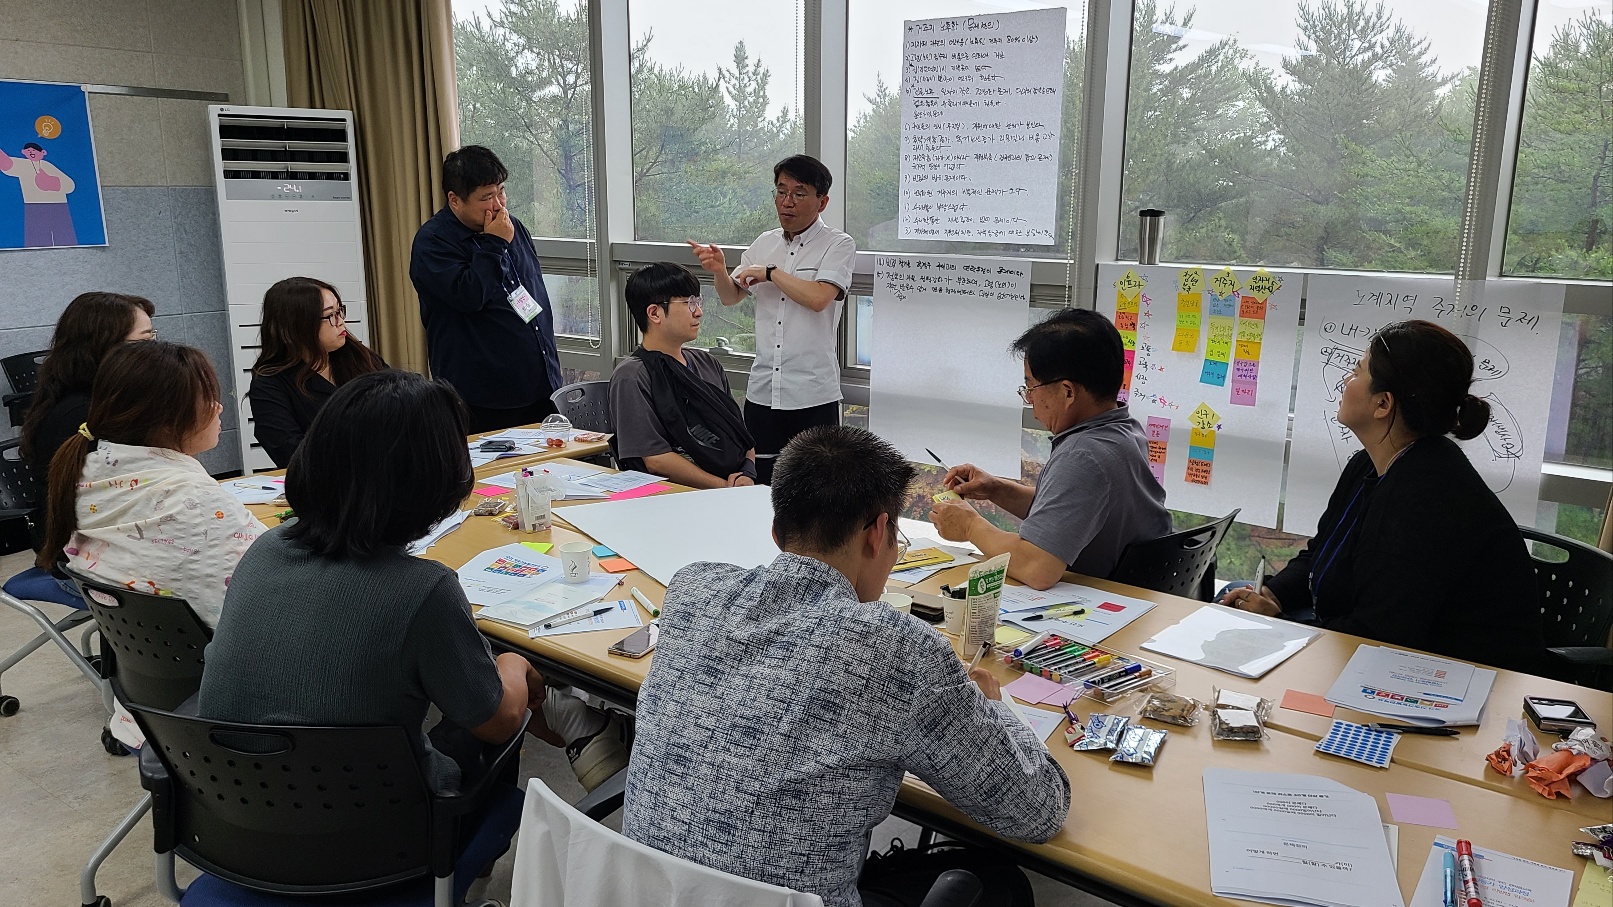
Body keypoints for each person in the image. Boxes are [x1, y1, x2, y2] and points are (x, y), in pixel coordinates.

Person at [623, 425, 1070, 907]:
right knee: (999, 882)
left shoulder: (693, 591)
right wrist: (995, 709)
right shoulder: (892, 647)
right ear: (878, 534)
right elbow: (1038, 811)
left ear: (776, 534)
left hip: (645, 892)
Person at [198, 370, 628, 795]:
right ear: (435, 479)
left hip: (234, 810)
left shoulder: (263, 550)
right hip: (384, 830)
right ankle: (580, 731)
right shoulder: (423, 591)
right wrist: (513, 663)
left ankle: (579, 727)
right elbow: (498, 724)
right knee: (489, 691)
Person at [1222, 320, 1545, 672]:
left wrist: (1285, 628)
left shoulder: (1425, 496)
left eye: (1357, 371)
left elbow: (1381, 635)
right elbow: (1321, 553)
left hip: (1451, 672)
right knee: (1241, 596)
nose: (1345, 381)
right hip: (1367, 639)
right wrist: (1272, 595)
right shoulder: (1372, 463)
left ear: (1383, 404)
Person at [928, 309, 1171, 590]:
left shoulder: (1082, 456)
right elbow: (1066, 513)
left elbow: (1037, 567)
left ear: (1068, 392)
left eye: (1031, 385)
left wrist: (970, 525)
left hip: (1104, 604)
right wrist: (997, 489)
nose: (1029, 398)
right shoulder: (1123, 430)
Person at [39, 341, 264, 627]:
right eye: (208, 399)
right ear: (169, 420)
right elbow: (270, 583)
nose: (219, 407)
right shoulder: (194, 497)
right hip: (215, 662)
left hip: (148, 657)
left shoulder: (87, 469)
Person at [688, 154, 855, 483]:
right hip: (763, 391)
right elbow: (730, 296)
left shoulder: (838, 244)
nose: (787, 202)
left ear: (822, 201)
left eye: (799, 193)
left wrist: (771, 273)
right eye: (781, 191)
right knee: (762, 483)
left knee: (816, 489)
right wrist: (719, 270)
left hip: (812, 393)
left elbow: (820, 298)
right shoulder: (764, 243)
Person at [410, 145, 563, 434]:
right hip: (482, 399)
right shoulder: (433, 243)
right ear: (455, 200)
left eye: (501, 191)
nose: (498, 204)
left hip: (539, 386)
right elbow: (470, 296)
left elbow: (530, 291)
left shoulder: (511, 226)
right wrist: (494, 245)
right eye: (487, 197)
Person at [608, 262, 756, 488]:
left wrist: (747, 473)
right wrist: (723, 487)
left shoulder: (708, 363)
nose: (699, 311)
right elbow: (655, 459)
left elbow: (739, 434)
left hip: (733, 487)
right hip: (673, 496)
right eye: (689, 303)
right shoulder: (633, 376)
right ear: (654, 313)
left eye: (698, 301)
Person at [247, 276, 386, 467]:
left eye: (340, 311)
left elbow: (401, 404)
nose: (340, 321)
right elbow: (290, 454)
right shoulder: (269, 384)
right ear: (298, 325)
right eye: (330, 315)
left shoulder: (358, 356)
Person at [20, 292, 157, 474]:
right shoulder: (80, 411)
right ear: (106, 345)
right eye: (145, 340)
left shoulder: (104, 398)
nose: (155, 350)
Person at [0, 142, 78, 247]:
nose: (32, 152)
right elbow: (8, 165)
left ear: (43, 153)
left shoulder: (48, 165)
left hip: (59, 206)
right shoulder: (23, 164)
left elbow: (70, 186)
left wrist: (52, 183)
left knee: (65, 239)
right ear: (24, 153)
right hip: (34, 207)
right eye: (29, 150)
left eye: (34, 150)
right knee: (37, 241)